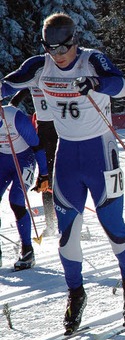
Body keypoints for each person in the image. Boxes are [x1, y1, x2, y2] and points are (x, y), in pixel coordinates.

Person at [1, 12, 125, 334]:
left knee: (113, 226)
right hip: (66, 156)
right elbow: (9, 83)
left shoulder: (93, 60)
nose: (58, 56)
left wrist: (95, 83)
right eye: (52, 50)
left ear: (74, 42)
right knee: (67, 236)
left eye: (63, 49)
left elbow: (119, 85)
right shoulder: (41, 65)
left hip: (100, 154)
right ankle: (76, 293)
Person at [0, 104, 49, 270]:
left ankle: (27, 251)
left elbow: (37, 146)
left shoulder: (15, 117)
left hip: (24, 161)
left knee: (16, 200)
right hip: (2, 163)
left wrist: (44, 175)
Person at [10, 87, 59, 237]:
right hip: (44, 133)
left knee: (66, 177)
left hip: (62, 129)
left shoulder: (57, 77)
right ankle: (50, 224)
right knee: (46, 179)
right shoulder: (34, 77)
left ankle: (68, 220)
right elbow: (13, 102)